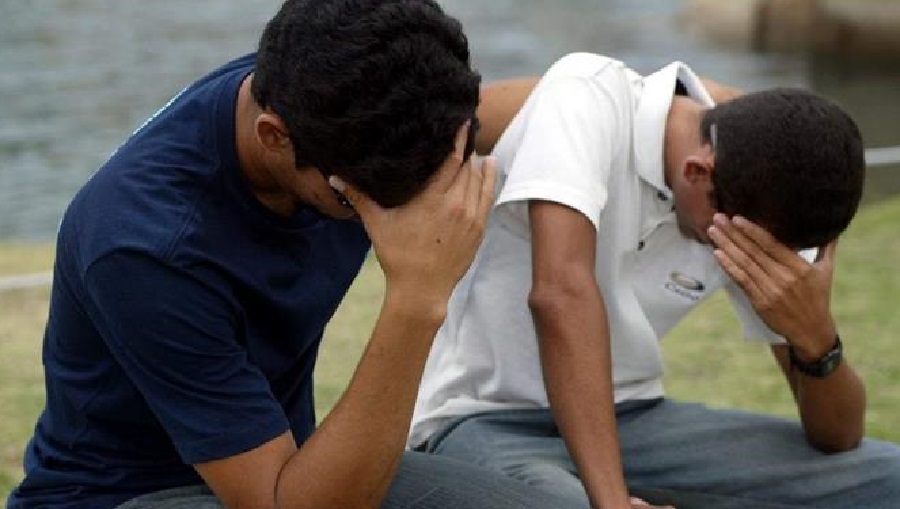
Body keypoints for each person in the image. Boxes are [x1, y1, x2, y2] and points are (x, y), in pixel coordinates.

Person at [5, 2, 599, 509]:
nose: (401, 211)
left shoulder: (342, 95)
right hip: (134, 495)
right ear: (274, 136)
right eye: (366, 200)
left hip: (284, 467)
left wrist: (641, 101)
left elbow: (545, 103)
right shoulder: (147, 248)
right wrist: (417, 298)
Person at [409, 51, 900, 509]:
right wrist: (611, 501)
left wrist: (817, 339)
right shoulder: (586, 95)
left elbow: (837, 438)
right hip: (483, 418)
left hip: (635, 419)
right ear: (698, 172)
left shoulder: (768, 178)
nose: (749, 256)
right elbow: (560, 293)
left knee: (889, 477)